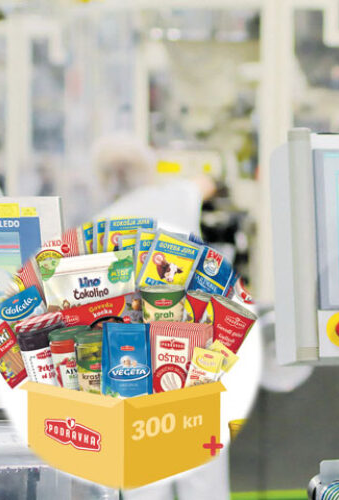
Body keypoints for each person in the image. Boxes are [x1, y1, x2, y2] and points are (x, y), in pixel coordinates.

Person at [91, 133, 229, 500]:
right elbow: (208, 182)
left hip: (134, 359)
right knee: (203, 469)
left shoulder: (98, 223)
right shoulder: (175, 197)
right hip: (194, 351)